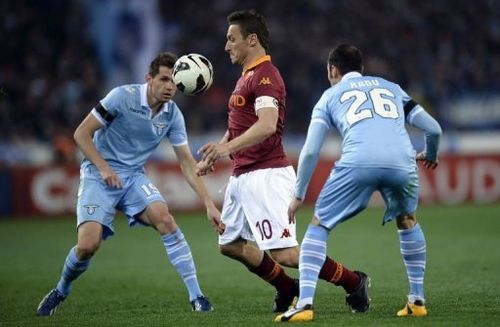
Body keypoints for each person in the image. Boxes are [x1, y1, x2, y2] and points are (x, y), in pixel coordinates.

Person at [197, 10, 369, 313]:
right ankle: (286, 286)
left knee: (287, 255)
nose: (226, 46)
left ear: (252, 40)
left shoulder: (266, 75)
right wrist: (220, 149)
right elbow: (241, 123)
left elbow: (266, 124)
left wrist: (226, 149)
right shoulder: (246, 76)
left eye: (231, 39)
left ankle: (354, 282)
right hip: (243, 175)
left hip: (267, 175)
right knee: (230, 245)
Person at [36, 52, 224, 316]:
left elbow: (186, 163)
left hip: (133, 176)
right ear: (149, 79)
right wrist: (103, 168)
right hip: (97, 174)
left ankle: (197, 296)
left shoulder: (172, 115)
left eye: (175, 82)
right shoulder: (121, 97)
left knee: (165, 219)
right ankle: (61, 289)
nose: (170, 87)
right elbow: (81, 133)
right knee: (88, 245)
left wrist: (209, 204)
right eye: (164, 79)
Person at [275, 44, 442, 322]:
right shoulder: (392, 87)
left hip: (358, 162)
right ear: (361, 69)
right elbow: (433, 128)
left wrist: (299, 194)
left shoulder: (329, 96)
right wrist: (431, 155)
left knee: (319, 225)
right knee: (408, 220)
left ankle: (304, 305)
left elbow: (312, 150)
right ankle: (417, 300)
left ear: (332, 69)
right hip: (402, 162)